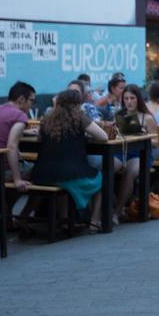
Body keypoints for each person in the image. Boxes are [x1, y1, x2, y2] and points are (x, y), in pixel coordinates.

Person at [31, 89, 109, 232]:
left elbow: (39, 139)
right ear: (78, 104)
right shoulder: (80, 117)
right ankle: (95, 221)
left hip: (42, 174)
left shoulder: (47, 119)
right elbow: (103, 136)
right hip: (70, 173)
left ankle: (64, 219)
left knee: (63, 180)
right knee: (102, 179)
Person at [113, 84, 157, 222]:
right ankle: (108, 206)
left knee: (130, 172)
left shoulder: (147, 117)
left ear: (138, 99)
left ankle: (117, 211)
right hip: (121, 152)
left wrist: (143, 135)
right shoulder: (119, 115)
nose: (129, 101)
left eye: (132, 98)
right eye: (126, 98)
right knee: (107, 168)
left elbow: (156, 141)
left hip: (140, 154)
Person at [0, 81, 36, 193]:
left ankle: (9, 208)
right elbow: (12, 146)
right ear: (21, 99)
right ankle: (26, 211)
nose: (32, 105)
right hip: (3, 172)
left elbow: (2, 132)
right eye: (31, 101)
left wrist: (25, 132)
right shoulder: (20, 116)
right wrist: (17, 180)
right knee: (45, 175)